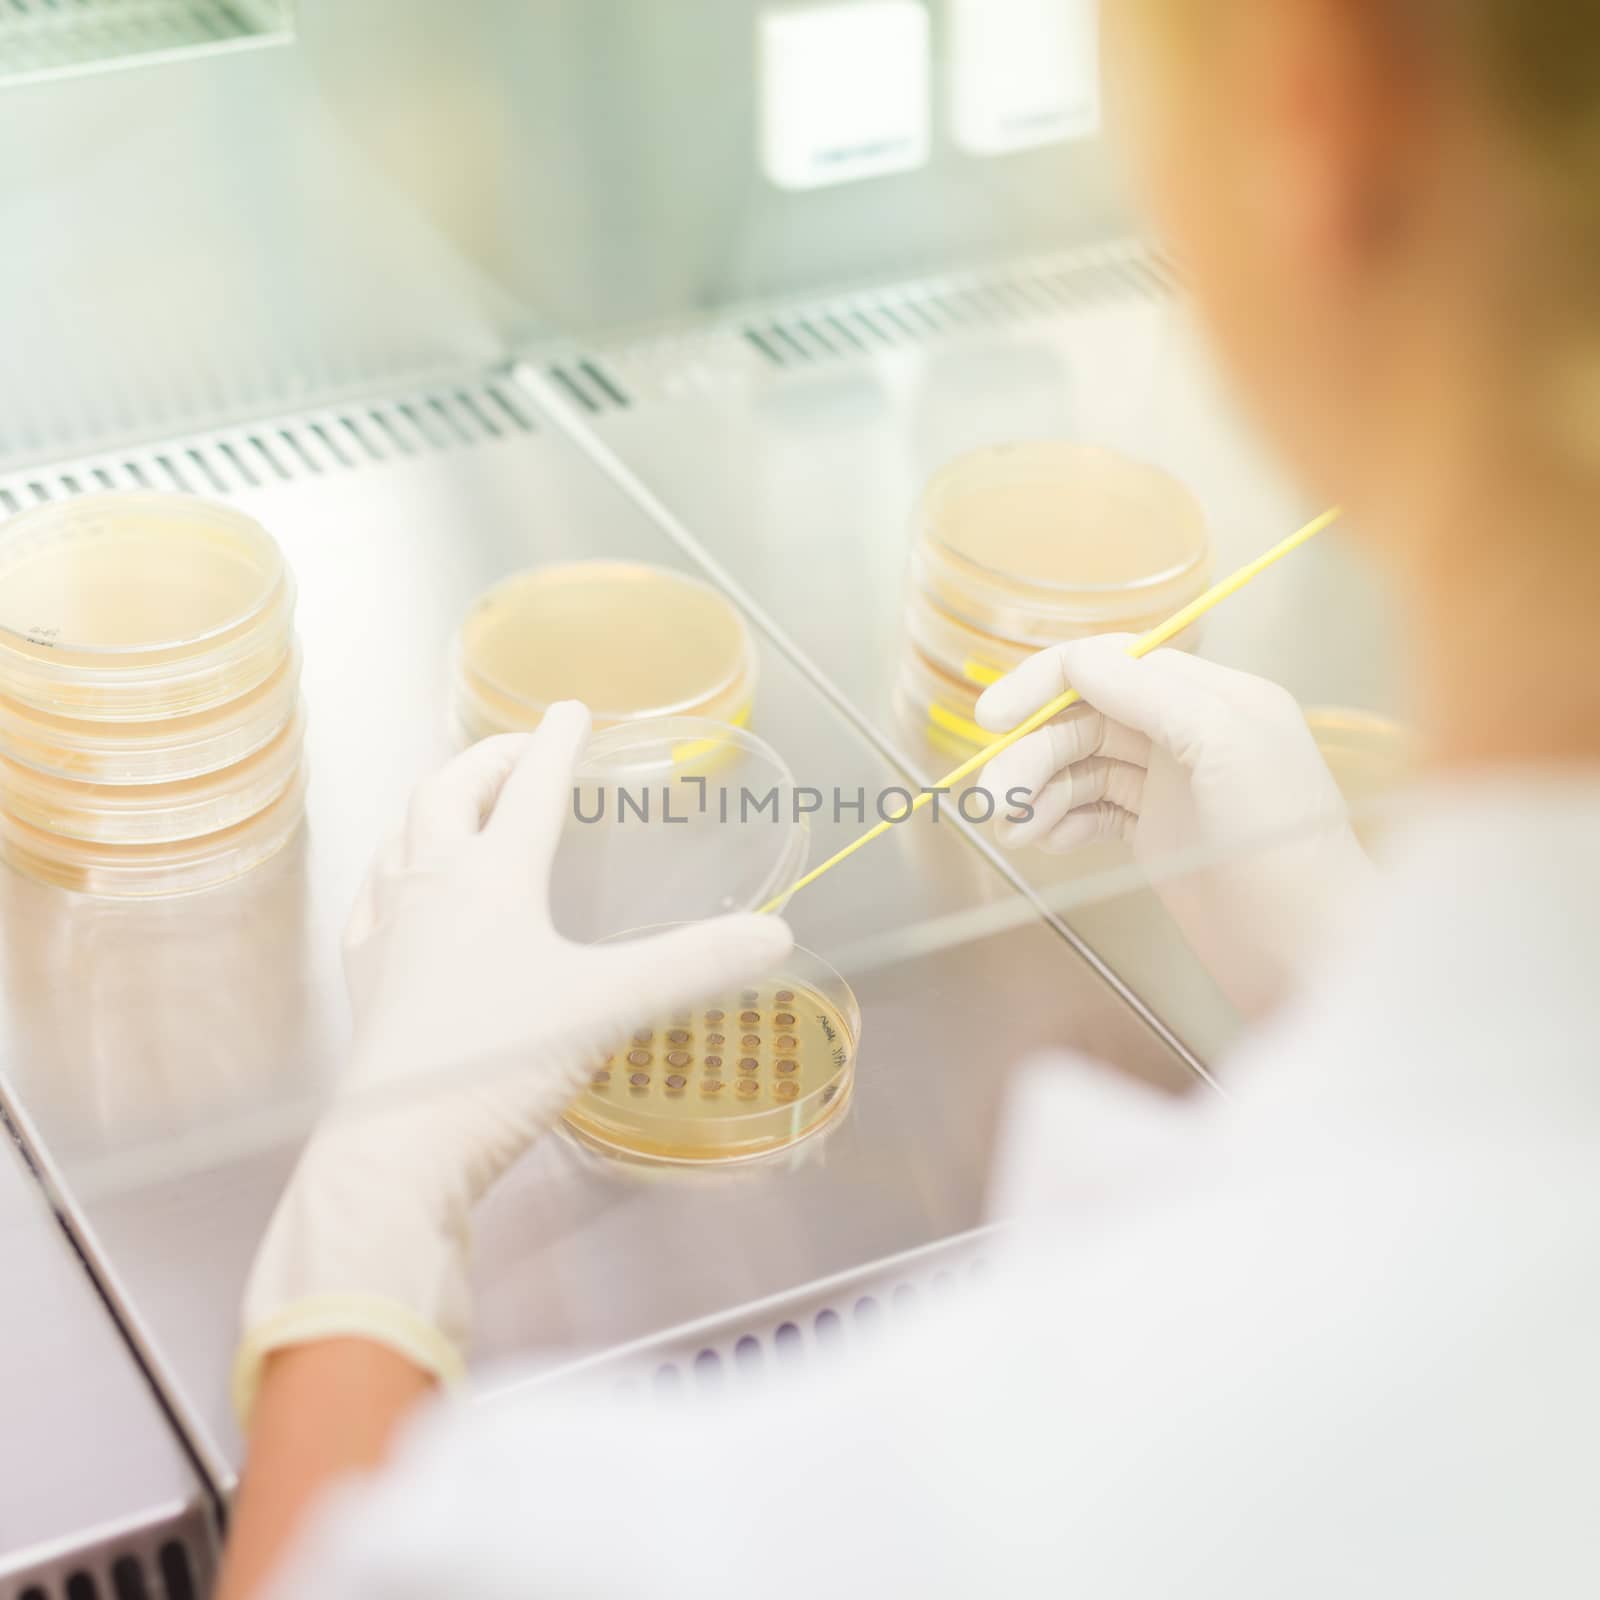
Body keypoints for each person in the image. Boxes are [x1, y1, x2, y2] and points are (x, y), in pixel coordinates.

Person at [218, 1, 1600, 1594]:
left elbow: (344, 1569)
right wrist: (1335, 963)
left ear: (1326, 110)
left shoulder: (979, 1498)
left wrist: (365, 1213)